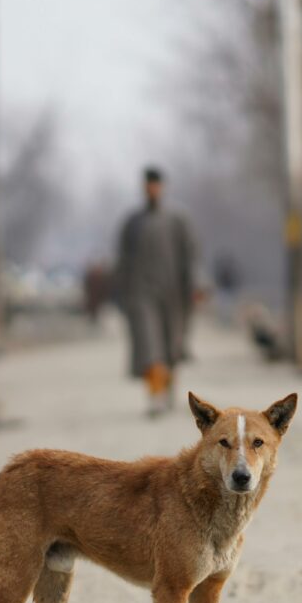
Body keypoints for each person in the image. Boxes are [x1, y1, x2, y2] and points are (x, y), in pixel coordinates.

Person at [114, 166, 196, 416]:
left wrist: (195, 285)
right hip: (141, 294)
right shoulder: (132, 222)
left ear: (162, 187)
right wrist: (121, 294)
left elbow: (191, 256)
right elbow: (122, 261)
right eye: (148, 185)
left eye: (156, 184)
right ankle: (156, 395)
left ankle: (168, 387)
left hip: (173, 293)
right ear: (144, 187)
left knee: (171, 345)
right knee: (150, 346)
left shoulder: (178, 219)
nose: (152, 189)